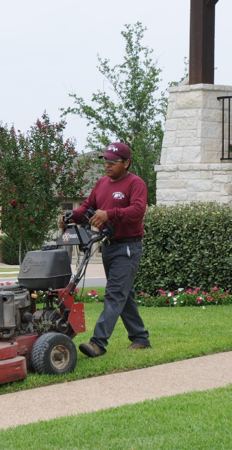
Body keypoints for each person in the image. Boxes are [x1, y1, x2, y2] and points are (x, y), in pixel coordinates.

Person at [64, 142, 151, 357]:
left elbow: (138, 210)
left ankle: (98, 343)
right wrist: (71, 216)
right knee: (124, 294)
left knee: (114, 294)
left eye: (113, 161)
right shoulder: (102, 183)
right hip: (109, 247)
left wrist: (109, 214)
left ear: (126, 163)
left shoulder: (135, 183)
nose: (108, 165)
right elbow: (87, 206)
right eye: (106, 161)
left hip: (128, 247)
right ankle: (140, 338)